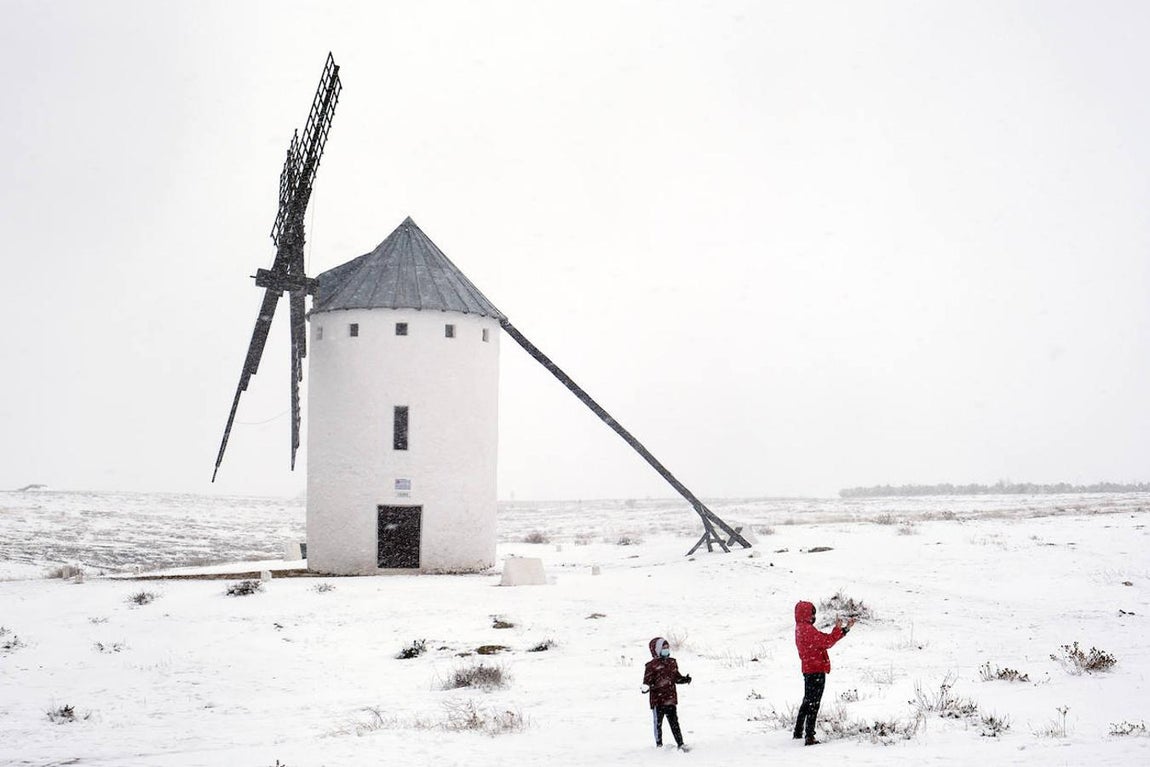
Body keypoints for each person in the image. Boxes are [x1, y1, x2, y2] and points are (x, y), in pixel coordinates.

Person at [793, 601, 855, 745]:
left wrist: (844, 630)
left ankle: (798, 731)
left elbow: (823, 641)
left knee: (807, 701)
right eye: (812, 613)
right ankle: (809, 736)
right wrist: (839, 629)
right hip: (816, 669)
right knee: (814, 703)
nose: (814, 616)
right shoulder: (807, 629)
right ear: (807, 614)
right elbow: (826, 642)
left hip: (808, 668)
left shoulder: (800, 628)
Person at [642, 636, 692, 750]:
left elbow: (676, 678)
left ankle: (680, 743)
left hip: (670, 699)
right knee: (658, 724)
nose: (666, 649)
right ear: (657, 649)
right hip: (658, 701)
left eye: (667, 647)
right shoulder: (651, 666)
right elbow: (647, 682)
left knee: (675, 723)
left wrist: (685, 679)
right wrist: (646, 687)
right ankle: (659, 745)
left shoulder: (672, 662)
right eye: (663, 647)